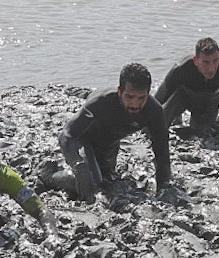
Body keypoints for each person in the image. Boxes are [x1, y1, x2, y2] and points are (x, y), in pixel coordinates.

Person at [43, 63, 180, 203]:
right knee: (92, 184)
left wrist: (162, 190)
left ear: (148, 93)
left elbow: (162, 155)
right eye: (130, 97)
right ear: (120, 91)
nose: (135, 104)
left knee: (109, 182)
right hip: (84, 140)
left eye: (141, 98)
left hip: (109, 146)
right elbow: (66, 135)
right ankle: (48, 175)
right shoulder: (101, 101)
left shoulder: (154, 111)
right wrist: (78, 166)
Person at [154, 37, 219, 140]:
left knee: (201, 131)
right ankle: (177, 118)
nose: (211, 68)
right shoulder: (182, 68)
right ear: (196, 60)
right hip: (182, 97)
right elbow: (157, 100)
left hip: (209, 101)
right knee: (160, 122)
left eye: (215, 61)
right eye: (206, 62)